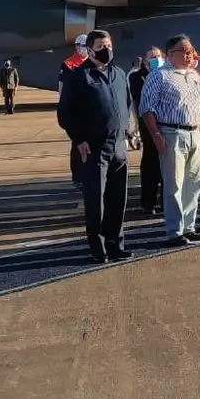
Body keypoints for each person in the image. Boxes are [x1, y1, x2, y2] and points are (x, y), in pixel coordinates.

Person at [57, 30, 134, 262]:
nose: (106, 49)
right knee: (96, 201)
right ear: (89, 49)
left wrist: (128, 132)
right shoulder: (79, 77)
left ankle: (115, 243)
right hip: (94, 148)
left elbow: (127, 103)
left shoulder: (119, 74)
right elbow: (65, 113)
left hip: (118, 146)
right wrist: (78, 139)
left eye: (109, 44)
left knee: (118, 199)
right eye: (101, 45)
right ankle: (98, 247)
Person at [140, 34, 200, 246]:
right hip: (171, 134)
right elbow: (146, 109)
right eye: (184, 51)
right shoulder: (159, 76)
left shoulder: (195, 76)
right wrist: (156, 136)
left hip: (193, 133)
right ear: (171, 54)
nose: (189, 55)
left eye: (191, 51)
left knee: (193, 182)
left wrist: (199, 131)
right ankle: (174, 230)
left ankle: (189, 226)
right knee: (174, 184)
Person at [130, 48, 165, 214]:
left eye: (158, 56)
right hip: (148, 126)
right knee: (151, 164)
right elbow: (139, 100)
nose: (156, 60)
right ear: (145, 60)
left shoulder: (167, 74)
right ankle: (148, 203)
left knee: (167, 166)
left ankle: (167, 202)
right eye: (152, 57)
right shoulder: (137, 77)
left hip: (166, 125)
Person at [58, 34, 90, 191]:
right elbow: (62, 89)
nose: (85, 49)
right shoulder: (69, 64)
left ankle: (88, 174)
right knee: (77, 145)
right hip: (76, 110)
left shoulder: (91, 62)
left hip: (89, 110)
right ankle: (78, 177)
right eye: (83, 46)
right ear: (77, 47)